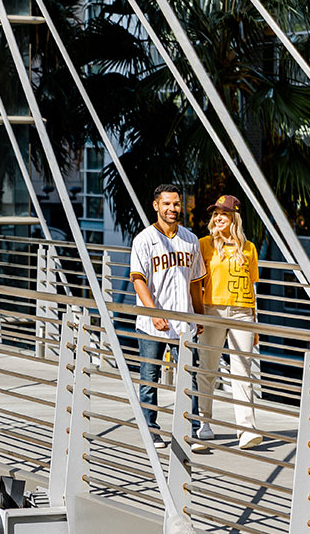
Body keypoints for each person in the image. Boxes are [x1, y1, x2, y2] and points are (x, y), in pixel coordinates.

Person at [129, 184, 206, 449]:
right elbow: (138, 280)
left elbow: (195, 281)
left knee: (190, 376)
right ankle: (150, 429)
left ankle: (193, 430)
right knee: (150, 377)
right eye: (167, 204)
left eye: (176, 204)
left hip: (185, 321)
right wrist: (153, 312)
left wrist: (200, 315)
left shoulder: (190, 239)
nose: (172, 209)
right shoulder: (143, 239)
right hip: (153, 322)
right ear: (156, 205)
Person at [194, 195, 263, 449]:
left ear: (234, 217)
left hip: (243, 312)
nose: (218, 218)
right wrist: (197, 315)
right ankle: (203, 424)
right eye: (215, 214)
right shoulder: (204, 245)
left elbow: (251, 288)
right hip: (212, 311)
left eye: (224, 214)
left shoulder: (249, 248)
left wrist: (255, 323)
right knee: (207, 369)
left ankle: (247, 430)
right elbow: (196, 283)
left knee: (242, 370)